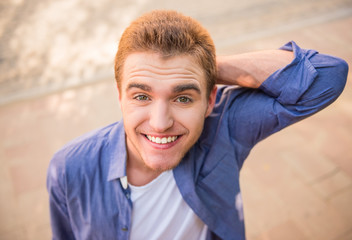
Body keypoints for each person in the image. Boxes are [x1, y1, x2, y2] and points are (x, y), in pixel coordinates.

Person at [47, 10, 348, 240]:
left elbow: (327, 75)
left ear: (210, 100)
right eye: (141, 95)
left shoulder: (224, 130)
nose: (160, 123)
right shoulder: (69, 169)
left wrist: (201, 69)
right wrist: (188, 76)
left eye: (183, 99)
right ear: (119, 96)